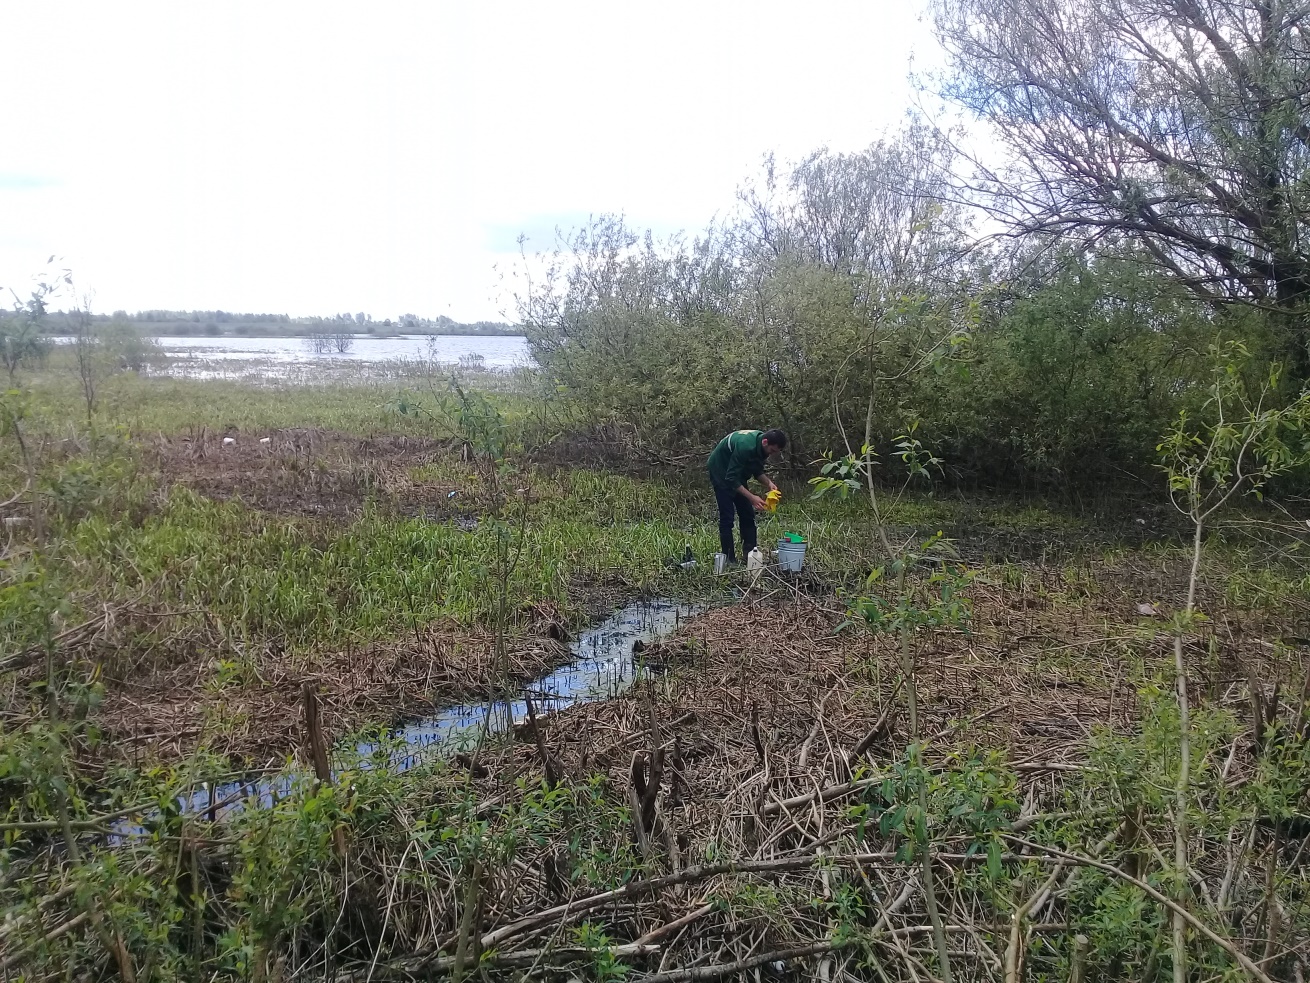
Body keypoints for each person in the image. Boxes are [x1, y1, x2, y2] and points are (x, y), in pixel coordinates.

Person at [706, 428, 787, 565]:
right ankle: (729, 558)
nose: (772, 454)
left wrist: (769, 483)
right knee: (727, 517)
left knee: (747, 514)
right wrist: (752, 497)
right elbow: (730, 479)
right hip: (720, 470)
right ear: (765, 442)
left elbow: (756, 470)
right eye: (772, 451)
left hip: (736, 473)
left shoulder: (762, 447)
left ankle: (750, 555)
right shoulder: (746, 447)